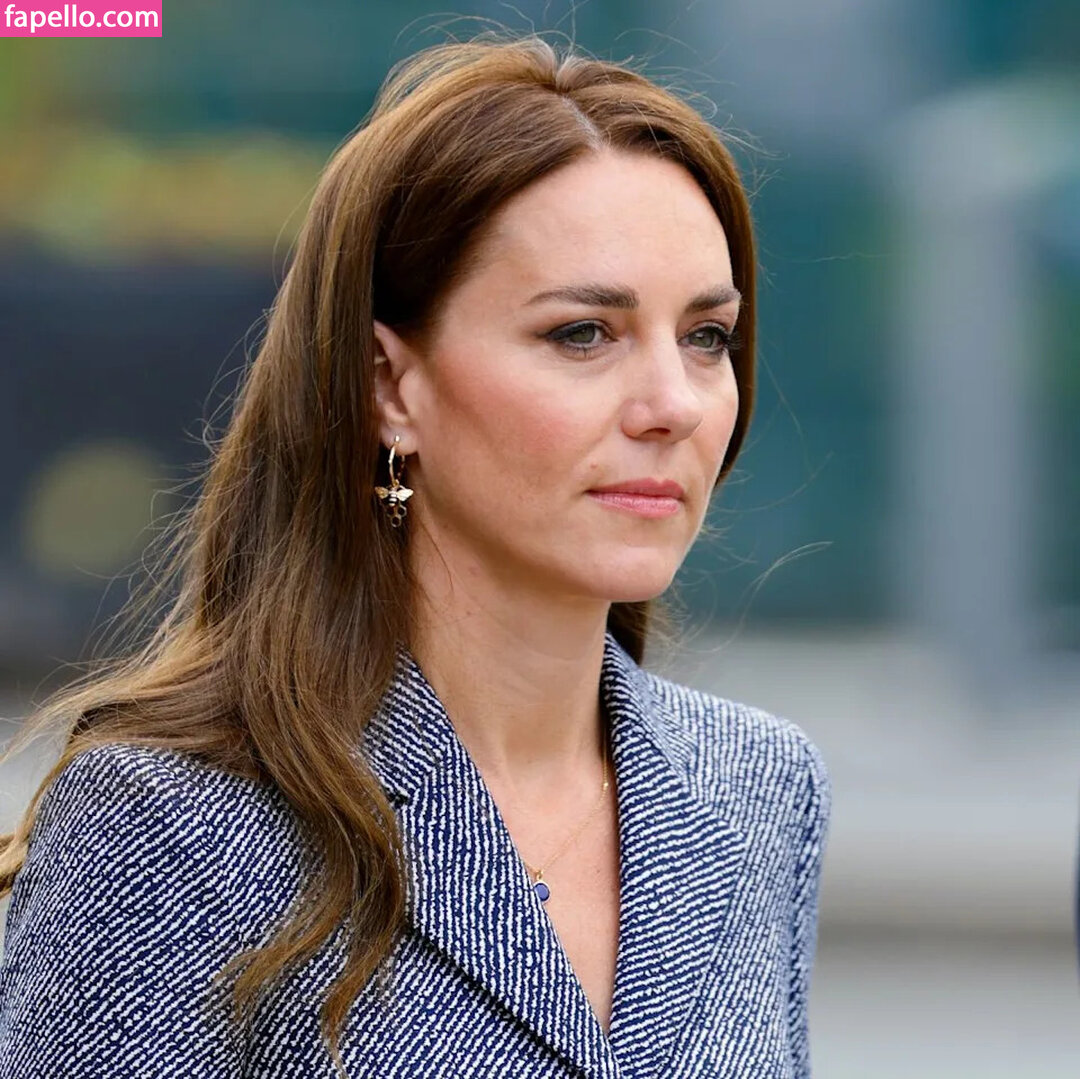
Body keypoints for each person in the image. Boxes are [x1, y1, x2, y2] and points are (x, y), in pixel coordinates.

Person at [0, 30, 831, 1079]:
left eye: (706, 336)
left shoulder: (758, 787)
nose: (674, 403)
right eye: (583, 333)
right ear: (391, 386)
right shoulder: (170, 824)